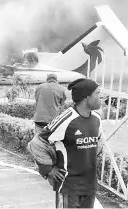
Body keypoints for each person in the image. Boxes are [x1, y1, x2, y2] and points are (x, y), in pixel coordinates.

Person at [38, 78, 102, 208]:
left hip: (90, 186)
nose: (100, 97)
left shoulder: (96, 118)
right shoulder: (67, 119)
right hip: (69, 187)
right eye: (97, 93)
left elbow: (99, 143)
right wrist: (48, 169)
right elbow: (37, 143)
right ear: (86, 97)